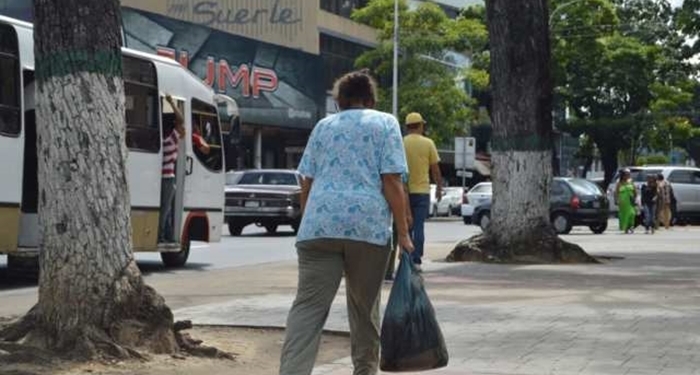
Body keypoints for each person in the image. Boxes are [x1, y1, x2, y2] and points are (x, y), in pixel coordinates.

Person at [279, 70, 414, 375]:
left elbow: (307, 183)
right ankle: (364, 371)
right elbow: (391, 180)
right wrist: (403, 234)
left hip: (318, 228)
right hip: (367, 229)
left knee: (308, 308)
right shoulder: (385, 123)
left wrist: (307, 223)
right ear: (371, 99)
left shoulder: (324, 126)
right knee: (364, 309)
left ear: (339, 101)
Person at [403, 112, 442, 270]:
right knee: (419, 226)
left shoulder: (401, 143)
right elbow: (435, 169)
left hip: (403, 191)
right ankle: (416, 260)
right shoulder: (428, 143)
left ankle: (406, 260)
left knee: (405, 227)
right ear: (420, 126)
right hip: (422, 191)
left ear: (407, 127)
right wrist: (439, 187)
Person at [158, 95, 185, 244]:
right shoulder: (171, 139)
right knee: (166, 209)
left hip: (158, 176)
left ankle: (165, 233)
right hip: (168, 178)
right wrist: (172, 104)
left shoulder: (160, 141)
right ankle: (161, 235)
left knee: (165, 209)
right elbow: (181, 121)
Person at [615, 169, 637, 234]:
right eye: (626, 175)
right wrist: (617, 200)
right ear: (623, 176)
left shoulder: (631, 182)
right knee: (624, 215)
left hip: (630, 201)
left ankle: (631, 226)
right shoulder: (619, 183)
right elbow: (616, 192)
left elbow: (635, 191)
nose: (628, 176)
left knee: (632, 213)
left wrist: (635, 198)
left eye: (628, 175)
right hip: (623, 202)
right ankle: (626, 228)